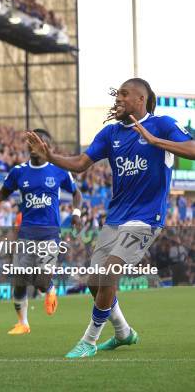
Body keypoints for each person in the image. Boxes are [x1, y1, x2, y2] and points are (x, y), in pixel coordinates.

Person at [26, 78, 194, 358]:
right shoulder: (110, 134)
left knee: (108, 273)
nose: (118, 99)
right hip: (115, 218)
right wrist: (50, 155)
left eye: (124, 95)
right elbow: (80, 165)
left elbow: (191, 149)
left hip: (146, 218)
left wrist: (155, 141)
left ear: (141, 99)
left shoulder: (162, 124)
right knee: (95, 282)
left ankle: (89, 340)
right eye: (117, 95)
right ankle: (123, 332)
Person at [0, 129, 82, 335]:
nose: (33, 147)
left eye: (38, 143)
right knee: (19, 280)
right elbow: (3, 193)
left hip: (50, 234)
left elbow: (76, 193)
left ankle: (49, 288)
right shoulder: (18, 171)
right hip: (26, 234)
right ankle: (23, 323)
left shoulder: (58, 170)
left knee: (41, 280)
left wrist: (76, 213)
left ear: (46, 146)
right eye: (30, 143)